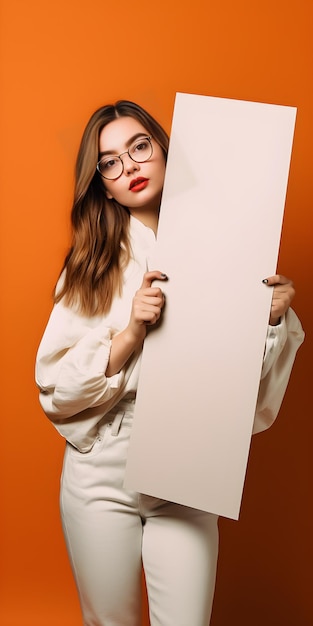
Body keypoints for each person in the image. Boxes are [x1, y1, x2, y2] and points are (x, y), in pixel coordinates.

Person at [35, 100, 304, 626]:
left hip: (189, 463)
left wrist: (270, 320)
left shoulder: (234, 244)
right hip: (101, 468)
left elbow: (249, 396)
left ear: (165, 151)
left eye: (139, 147)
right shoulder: (90, 262)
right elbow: (56, 390)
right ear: (102, 184)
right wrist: (132, 331)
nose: (130, 166)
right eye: (110, 161)